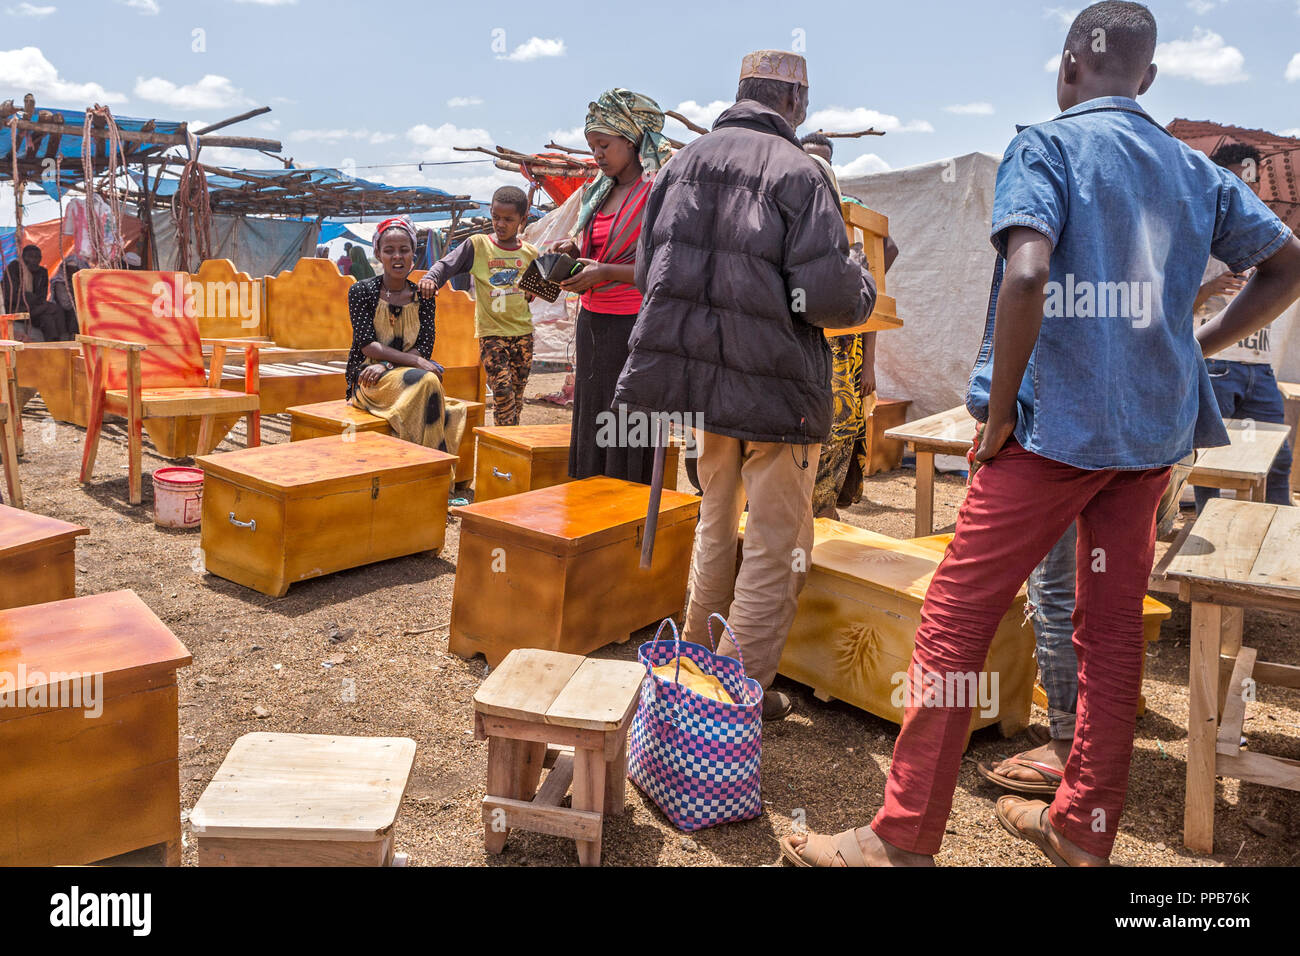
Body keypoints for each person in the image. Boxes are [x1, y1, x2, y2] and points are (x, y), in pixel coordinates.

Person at [782, 1, 1300, 867]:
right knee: (1111, 628)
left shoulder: (1048, 145)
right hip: (1144, 440)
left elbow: (1027, 274)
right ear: (1150, 78)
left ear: (1067, 68)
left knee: (955, 618)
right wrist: (1191, 345)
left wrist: (995, 412)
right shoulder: (1194, 168)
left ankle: (903, 836)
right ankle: (1081, 826)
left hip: (1052, 431)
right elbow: (1285, 261)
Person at [613, 50, 876, 720]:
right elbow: (829, 300)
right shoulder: (801, 171)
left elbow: (650, 277)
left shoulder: (679, 166)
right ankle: (738, 696)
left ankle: (694, 678)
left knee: (713, 524)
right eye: (806, 104)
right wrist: (863, 280)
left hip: (701, 391)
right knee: (773, 544)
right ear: (790, 100)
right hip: (776, 394)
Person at [550, 89, 671, 484]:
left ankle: (627, 504)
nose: (597, 155)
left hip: (635, 326)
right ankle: (591, 496)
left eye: (604, 145)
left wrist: (607, 273)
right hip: (593, 323)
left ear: (633, 141)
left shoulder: (658, 194)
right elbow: (596, 248)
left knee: (629, 416)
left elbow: (664, 266)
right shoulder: (596, 194)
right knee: (593, 410)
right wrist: (573, 247)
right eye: (592, 147)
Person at [1191, 143, 1294, 510]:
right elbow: (1172, 307)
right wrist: (1211, 287)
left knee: (1277, 458)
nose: (1245, 189)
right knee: (1211, 461)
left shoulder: (1269, 240)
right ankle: (1207, 522)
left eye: (1251, 182)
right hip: (1216, 364)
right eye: (1237, 179)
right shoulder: (1199, 238)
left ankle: (1277, 531)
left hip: (1260, 368)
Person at [346, 217, 465, 463]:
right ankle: (432, 469)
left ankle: (425, 468)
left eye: (404, 250)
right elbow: (367, 345)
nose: (397, 257)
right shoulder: (361, 292)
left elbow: (425, 346)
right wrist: (408, 363)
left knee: (443, 399)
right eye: (389, 250)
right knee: (428, 380)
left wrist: (389, 365)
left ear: (413, 253)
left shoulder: (424, 296)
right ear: (378, 253)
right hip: (370, 380)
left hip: (405, 375)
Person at [419, 185, 539, 426]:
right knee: (502, 393)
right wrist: (431, 278)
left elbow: (532, 292)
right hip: (492, 335)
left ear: (522, 220)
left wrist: (532, 290)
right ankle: (504, 448)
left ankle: (508, 445)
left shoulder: (530, 253)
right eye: (495, 217)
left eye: (508, 219)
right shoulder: (478, 245)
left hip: (524, 335)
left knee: (516, 398)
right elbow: (446, 265)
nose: (500, 224)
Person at [2, 244, 71, 341]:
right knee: (54, 309)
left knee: (48, 319)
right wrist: (34, 301)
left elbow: (42, 295)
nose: (34, 260)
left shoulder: (42, 272)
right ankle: (64, 338)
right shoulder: (14, 268)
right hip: (16, 308)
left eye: (37, 257)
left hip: (36, 308)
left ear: (41, 259)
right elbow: (11, 295)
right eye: (30, 257)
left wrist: (37, 303)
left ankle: (55, 343)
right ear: (23, 258)